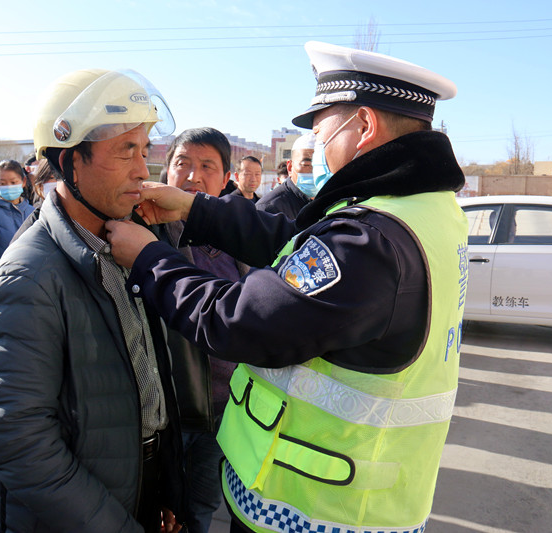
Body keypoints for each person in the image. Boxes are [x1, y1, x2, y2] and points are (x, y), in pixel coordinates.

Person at [106, 41, 468, 533]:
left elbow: (240, 322)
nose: (318, 149)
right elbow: (297, 244)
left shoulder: (373, 240)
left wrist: (148, 259)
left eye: (321, 132)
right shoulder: (421, 211)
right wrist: (194, 208)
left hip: (317, 507)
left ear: (363, 125)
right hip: (361, 498)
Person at [0, 68, 185, 533]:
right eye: (125, 150)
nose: (142, 170)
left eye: (145, 150)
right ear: (70, 160)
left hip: (137, 484)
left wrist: (167, 487)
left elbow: (151, 383)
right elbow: (20, 444)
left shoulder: (129, 246)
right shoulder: (26, 279)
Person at [161, 127, 249, 533]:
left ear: (225, 178)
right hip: (167, 411)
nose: (193, 176)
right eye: (183, 163)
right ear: (167, 171)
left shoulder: (240, 238)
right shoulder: (146, 234)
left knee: (201, 508)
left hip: (224, 408)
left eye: (207, 166)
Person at [256, 133, 315, 220]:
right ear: (290, 167)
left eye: (320, 166)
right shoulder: (268, 209)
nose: (314, 171)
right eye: (306, 165)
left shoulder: (328, 202)